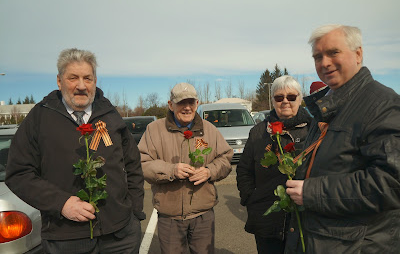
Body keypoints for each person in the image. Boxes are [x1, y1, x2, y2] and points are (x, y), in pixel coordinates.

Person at [6, 48, 145, 253]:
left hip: (120, 236)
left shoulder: (110, 114)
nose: (81, 86)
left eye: (87, 78)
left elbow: (132, 164)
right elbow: (19, 174)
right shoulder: (39, 118)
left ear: (95, 81)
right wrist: (61, 203)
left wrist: (134, 213)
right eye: (73, 78)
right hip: (65, 238)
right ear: (59, 81)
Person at [285, 24, 400, 253]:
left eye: (333, 52)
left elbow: (391, 183)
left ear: (358, 54)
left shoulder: (382, 105)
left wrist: (311, 192)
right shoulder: (329, 105)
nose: (324, 62)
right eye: (317, 56)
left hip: (357, 245)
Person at [139, 82, 233, 254]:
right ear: (170, 104)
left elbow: (226, 158)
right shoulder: (154, 130)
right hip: (170, 217)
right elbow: (142, 163)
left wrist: (209, 171)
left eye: (191, 102)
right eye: (181, 102)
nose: (187, 107)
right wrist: (171, 170)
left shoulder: (209, 129)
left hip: (203, 215)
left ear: (197, 103)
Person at [236, 76, 312, 254]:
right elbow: (244, 170)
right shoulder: (258, 132)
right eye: (279, 97)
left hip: (304, 220)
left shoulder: (313, 130)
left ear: (300, 99)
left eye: (291, 97)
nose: (285, 101)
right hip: (267, 220)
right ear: (272, 101)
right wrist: (251, 198)